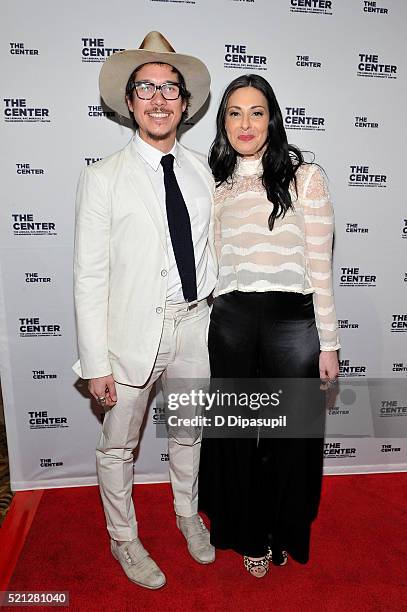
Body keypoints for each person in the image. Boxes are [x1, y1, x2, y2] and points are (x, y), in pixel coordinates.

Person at [73, 31, 217, 590]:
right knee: (118, 446)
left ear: (184, 102)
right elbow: (89, 275)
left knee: (188, 432)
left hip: (195, 325)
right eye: (146, 89)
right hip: (131, 335)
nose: (159, 100)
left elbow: (213, 254)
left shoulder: (204, 171)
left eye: (170, 89)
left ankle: (186, 514)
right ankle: (124, 537)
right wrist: (95, 362)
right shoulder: (102, 177)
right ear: (129, 101)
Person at [198, 74, 340, 578]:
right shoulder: (213, 182)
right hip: (232, 322)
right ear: (223, 122)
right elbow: (211, 265)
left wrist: (329, 343)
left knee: (289, 437)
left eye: (256, 111)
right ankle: (250, 533)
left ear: (272, 118)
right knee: (237, 436)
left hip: (293, 322)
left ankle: (283, 528)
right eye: (234, 112)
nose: (245, 123)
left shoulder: (306, 177)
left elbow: (320, 266)